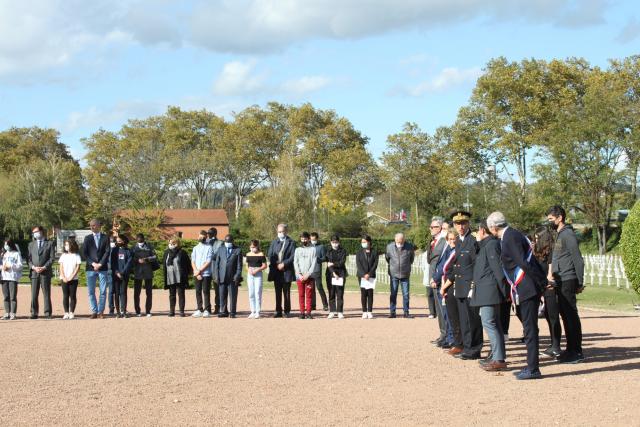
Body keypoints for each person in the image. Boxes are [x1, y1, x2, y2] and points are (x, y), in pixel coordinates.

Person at [487, 211, 546, 380]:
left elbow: (523, 262)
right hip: (527, 286)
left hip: (527, 286)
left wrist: (541, 282)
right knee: (529, 328)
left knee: (530, 329)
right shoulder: (510, 235)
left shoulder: (510, 237)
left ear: (493, 227)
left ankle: (533, 368)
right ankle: (531, 366)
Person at [547, 205, 585, 364]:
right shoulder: (560, 234)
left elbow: (577, 259)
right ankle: (570, 349)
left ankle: (576, 351)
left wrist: (580, 281)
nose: (549, 222)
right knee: (565, 316)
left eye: (551, 219)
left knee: (570, 316)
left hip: (568, 279)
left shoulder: (567, 234)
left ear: (559, 218)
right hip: (560, 280)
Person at [469, 221, 508, 372]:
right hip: (487, 291)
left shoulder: (491, 245)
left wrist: (504, 291)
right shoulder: (486, 244)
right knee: (494, 324)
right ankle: (497, 356)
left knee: (489, 323)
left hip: (489, 291)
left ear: (481, 230)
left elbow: (497, 270)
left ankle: (498, 359)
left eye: (477, 230)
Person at [444, 210, 482, 360]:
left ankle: (475, 348)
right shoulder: (459, 241)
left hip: (470, 286)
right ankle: (467, 347)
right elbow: (457, 265)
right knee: (464, 320)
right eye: (457, 223)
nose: (460, 226)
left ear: (468, 224)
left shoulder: (473, 241)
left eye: (463, 223)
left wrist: (473, 285)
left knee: (473, 320)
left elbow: (477, 265)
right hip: (460, 286)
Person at [534, 225, 562, 358]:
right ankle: (553, 344)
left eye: (538, 237)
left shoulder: (552, 250)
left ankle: (556, 345)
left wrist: (549, 280)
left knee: (553, 316)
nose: (535, 239)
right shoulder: (539, 251)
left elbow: (551, 268)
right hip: (542, 286)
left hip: (550, 286)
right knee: (547, 315)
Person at [433, 231, 458, 350]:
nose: (452, 241)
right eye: (450, 239)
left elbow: (448, 269)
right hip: (443, 283)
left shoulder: (455, 251)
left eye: (454, 239)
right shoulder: (448, 249)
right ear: (447, 240)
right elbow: (441, 266)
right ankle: (449, 337)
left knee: (450, 314)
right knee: (445, 314)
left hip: (450, 285)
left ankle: (451, 338)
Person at [82, 219, 110, 319]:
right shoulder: (87, 238)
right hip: (90, 268)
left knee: (103, 291)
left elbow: (107, 252)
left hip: (103, 268)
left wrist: (101, 264)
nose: (92, 227)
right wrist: (93, 263)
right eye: (90, 225)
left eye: (93, 225)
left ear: (99, 225)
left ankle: (100, 312)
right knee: (91, 291)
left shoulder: (106, 237)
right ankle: (94, 311)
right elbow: (84, 253)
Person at [426, 217, 448, 341]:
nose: (431, 229)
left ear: (439, 228)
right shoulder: (434, 241)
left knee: (442, 309)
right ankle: (443, 333)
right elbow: (430, 260)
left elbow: (442, 261)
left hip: (439, 279)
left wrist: (436, 278)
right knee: (439, 309)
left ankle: (446, 335)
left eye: (433, 227)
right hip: (433, 278)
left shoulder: (444, 241)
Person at [267, 224, 296, 318]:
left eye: (282, 231)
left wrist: (284, 264)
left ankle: (287, 311)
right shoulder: (274, 242)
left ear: (286, 231)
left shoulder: (291, 242)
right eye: (279, 232)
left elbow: (293, 256)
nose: (280, 233)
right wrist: (277, 264)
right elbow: (270, 255)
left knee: (286, 292)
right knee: (277, 292)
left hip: (287, 270)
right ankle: (278, 311)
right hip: (276, 271)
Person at [28, 226, 56, 319]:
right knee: (34, 294)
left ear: (41, 232)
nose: (34, 234)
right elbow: (28, 259)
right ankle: (34, 312)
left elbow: (52, 258)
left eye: (35, 232)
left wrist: (44, 267)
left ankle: (47, 313)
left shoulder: (50, 244)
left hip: (45, 272)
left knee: (46, 293)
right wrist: (33, 267)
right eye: (33, 233)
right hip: (34, 273)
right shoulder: (31, 244)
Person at [385, 232, 415, 318]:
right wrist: (393, 267)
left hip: (405, 274)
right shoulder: (389, 247)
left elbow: (411, 259)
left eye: (401, 241)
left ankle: (406, 312)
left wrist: (406, 266)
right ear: (395, 239)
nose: (399, 243)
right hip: (394, 273)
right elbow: (387, 258)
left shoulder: (409, 247)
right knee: (393, 293)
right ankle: (392, 312)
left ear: (404, 240)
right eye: (398, 241)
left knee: (406, 294)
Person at [214, 235, 243, 318]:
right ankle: (223, 311)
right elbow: (217, 264)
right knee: (222, 294)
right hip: (222, 276)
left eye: (229, 242)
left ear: (232, 241)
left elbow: (239, 265)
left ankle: (232, 312)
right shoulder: (220, 249)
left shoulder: (238, 250)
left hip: (232, 277)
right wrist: (216, 275)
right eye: (226, 241)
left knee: (233, 295)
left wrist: (237, 275)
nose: (228, 243)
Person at [162, 237, 192, 317]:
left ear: (177, 243)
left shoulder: (182, 252)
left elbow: (188, 264)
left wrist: (188, 273)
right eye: (170, 243)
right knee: (172, 294)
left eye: (173, 243)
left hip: (180, 276)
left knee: (181, 294)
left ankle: (181, 311)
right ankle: (172, 311)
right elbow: (164, 264)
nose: (171, 245)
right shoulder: (166, 252)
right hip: (170, 276)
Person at [132, 233, 157, 317]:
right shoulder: (133, 247)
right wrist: (137, 260)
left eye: (141, 238)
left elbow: (154, 257)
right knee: (136, 293)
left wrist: (146, 259)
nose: (139, 239)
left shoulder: (149, 246)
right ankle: (137, 311)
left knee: (149, 293)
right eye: (138, 238)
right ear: (136, 239)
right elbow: (130, 258)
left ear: (143, 238)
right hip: (138, 272)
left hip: (148, 272)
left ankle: (148, 311)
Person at [294, 232, 317, 319]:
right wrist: (299, 274)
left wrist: (308, 274)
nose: (304, 240)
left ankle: (308, 312)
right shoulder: (297, 250)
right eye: (302, 239)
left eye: (305, 239)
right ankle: (302, 312)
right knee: (301, 295)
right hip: (299, 277)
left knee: (309, 295)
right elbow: (295, 263)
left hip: (309, 277)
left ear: (308, 239)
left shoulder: (313, 249)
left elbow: (314, 263)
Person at [191, 230, 214, 318]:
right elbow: (192, 261)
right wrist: (196, 272)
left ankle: (207, 310)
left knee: (206, 291)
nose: (201, 238)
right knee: (198, 291)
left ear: (206, 237)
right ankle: (199, 309)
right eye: (200, 236)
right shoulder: (195, 248)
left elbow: (208, 261)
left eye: (203, 237)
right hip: (197, 273)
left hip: (206, 274)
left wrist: (199, 271)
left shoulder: (209, 247)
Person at [356, 234, 378, 319]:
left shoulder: (375, 252)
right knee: (363, 293)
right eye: (362, 242)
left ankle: (370, 311)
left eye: (364, 242)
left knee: (370, 293)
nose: (363, 243)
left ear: (369, 242)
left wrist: (369, 274)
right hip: (361, 276)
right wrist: (364, 274)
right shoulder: (359, 252)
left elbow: (375, 264)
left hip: (371, 276)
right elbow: (358, 264)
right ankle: (364, 311)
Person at [58, 239, 81, 320]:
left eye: (67, 244)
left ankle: (71, 312)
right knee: (65, 295)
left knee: (73, 295)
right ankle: (66, 312)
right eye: (65, 245)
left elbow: (77, 267)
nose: (66, 246)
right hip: (63, 279)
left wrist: (71, 276)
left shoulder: (76, 255)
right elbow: (60, 267)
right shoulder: (63, 255)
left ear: (71, 245)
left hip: (73, 279)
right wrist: (63, 277)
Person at [326, 235, 348, 319]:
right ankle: (332, 311)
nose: (335, 244)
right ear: (330, 242)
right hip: (330, 274)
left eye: (336, 242)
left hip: (341, 274)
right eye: (333, 242)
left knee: (340, 293)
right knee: (331, 293)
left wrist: (334, 264)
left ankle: (340, 311)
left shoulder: (343, 251)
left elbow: (342, 262)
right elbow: (328, 263)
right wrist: (333, 273)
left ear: (339, 242)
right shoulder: (328, 251)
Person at [111, 234, 133, 318]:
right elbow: (113, 262)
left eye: (119, 240)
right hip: (116, 275)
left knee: (123, 292)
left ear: (124, 241)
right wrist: (117, 272)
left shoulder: (128, 251)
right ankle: (118, 312)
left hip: (124, 275)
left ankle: (123, 311)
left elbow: (129, 263)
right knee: (116, 293)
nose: (118, 242)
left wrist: (122, 273)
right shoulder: (114, 250)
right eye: (117, 241)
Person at [1, 239, 22, 320]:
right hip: (4, 277)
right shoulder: (4, 254)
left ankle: (13, 313)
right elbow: (1, 264)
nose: (5, 246)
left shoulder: (16, 254)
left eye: (7, 244)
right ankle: (7, 313)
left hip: (12, 278)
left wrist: (11, 266)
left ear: (11, 245)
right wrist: (2, 267)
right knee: (6, 296)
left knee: (12, 297)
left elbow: (20, 266)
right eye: (5, 244)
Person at [246, 240, 267, 319]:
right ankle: (252, 311)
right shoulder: (248, 254)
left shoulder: (261, 254)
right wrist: (249, 270)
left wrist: (257, 270)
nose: (252, 249)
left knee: (257, 292)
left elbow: (265, 265)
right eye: (251, 247)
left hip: (258, 274)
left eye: (254, 247)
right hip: (250, 274)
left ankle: (258, 311)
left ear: (257, 246)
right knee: (251, 293)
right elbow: (247, 265)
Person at [309, 232, 328, 311]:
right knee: (311, 288)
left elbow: (325, 258)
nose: (313, 241)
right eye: (311, 239)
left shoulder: (321, 247)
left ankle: (325, 305)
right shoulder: (308, 247)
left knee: (319, 287)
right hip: (309, 271)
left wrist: (318, 259)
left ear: (317, 239)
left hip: (317, 270)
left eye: (314, 239)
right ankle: (313, 305)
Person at [206, 227, 223, 314]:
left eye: (210, 233)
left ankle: (218, 307)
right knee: (206, 290)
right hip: (206, 269)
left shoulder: (220, 243)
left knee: (217, 290)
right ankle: (207, 308)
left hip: (216, 269)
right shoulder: (206, 242)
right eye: (208, 233)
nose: (208, 234)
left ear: (215, 234)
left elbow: (216, 255)